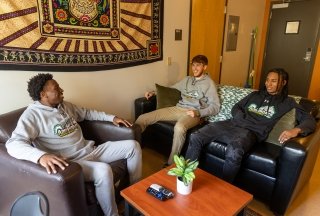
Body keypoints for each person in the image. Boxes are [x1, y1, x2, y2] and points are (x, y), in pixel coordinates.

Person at [5, 73, 142, 216]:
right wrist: (41, 156)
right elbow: (13, 143)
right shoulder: (32, 116)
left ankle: (134, 195)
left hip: (91, 150)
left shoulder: (64, 106)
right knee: (104, 170)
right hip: (73, 162)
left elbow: (87, 113)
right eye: (56, 88)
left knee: (133, 146)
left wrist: (112, 118)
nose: (61, 90)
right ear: (43, 94)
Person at [185, 68, 316, 183]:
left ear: (283, 82)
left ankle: (224, 189)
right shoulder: (255, 94)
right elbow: (237, 107)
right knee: (196, 136)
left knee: (234, 150)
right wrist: (239, 117)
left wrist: (295, 130)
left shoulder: (288, 102)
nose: (268, 84)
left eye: (274, 81)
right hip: (231, 123)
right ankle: (186, 178)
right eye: (267, 80)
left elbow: (310, 120)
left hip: (251, 132)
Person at [135, 54, 220, 165]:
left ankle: (171, 164)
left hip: (193, 114)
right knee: (143, 118)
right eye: (193, 65)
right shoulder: (187, 80)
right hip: (178, 108)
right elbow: (170, 89)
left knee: (179, 127)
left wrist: (198, 112)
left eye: (198, 65)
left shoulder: (209, 84)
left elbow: (216, 106)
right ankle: (131, 148)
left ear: (205, 67)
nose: (194, 68)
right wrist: (153, 93)